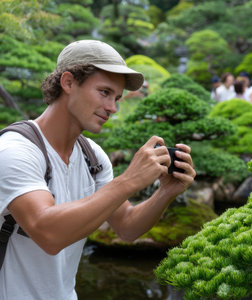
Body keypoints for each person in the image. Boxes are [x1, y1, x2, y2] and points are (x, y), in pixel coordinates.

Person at [0, 40, 196, 299]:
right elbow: (47, 233)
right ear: (68, 82)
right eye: (104, 92)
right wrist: (129, 180)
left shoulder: (92, 156)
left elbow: (126, 227)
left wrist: (165, 192)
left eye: (116, 98)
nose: (113, 108)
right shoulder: (14, 149)